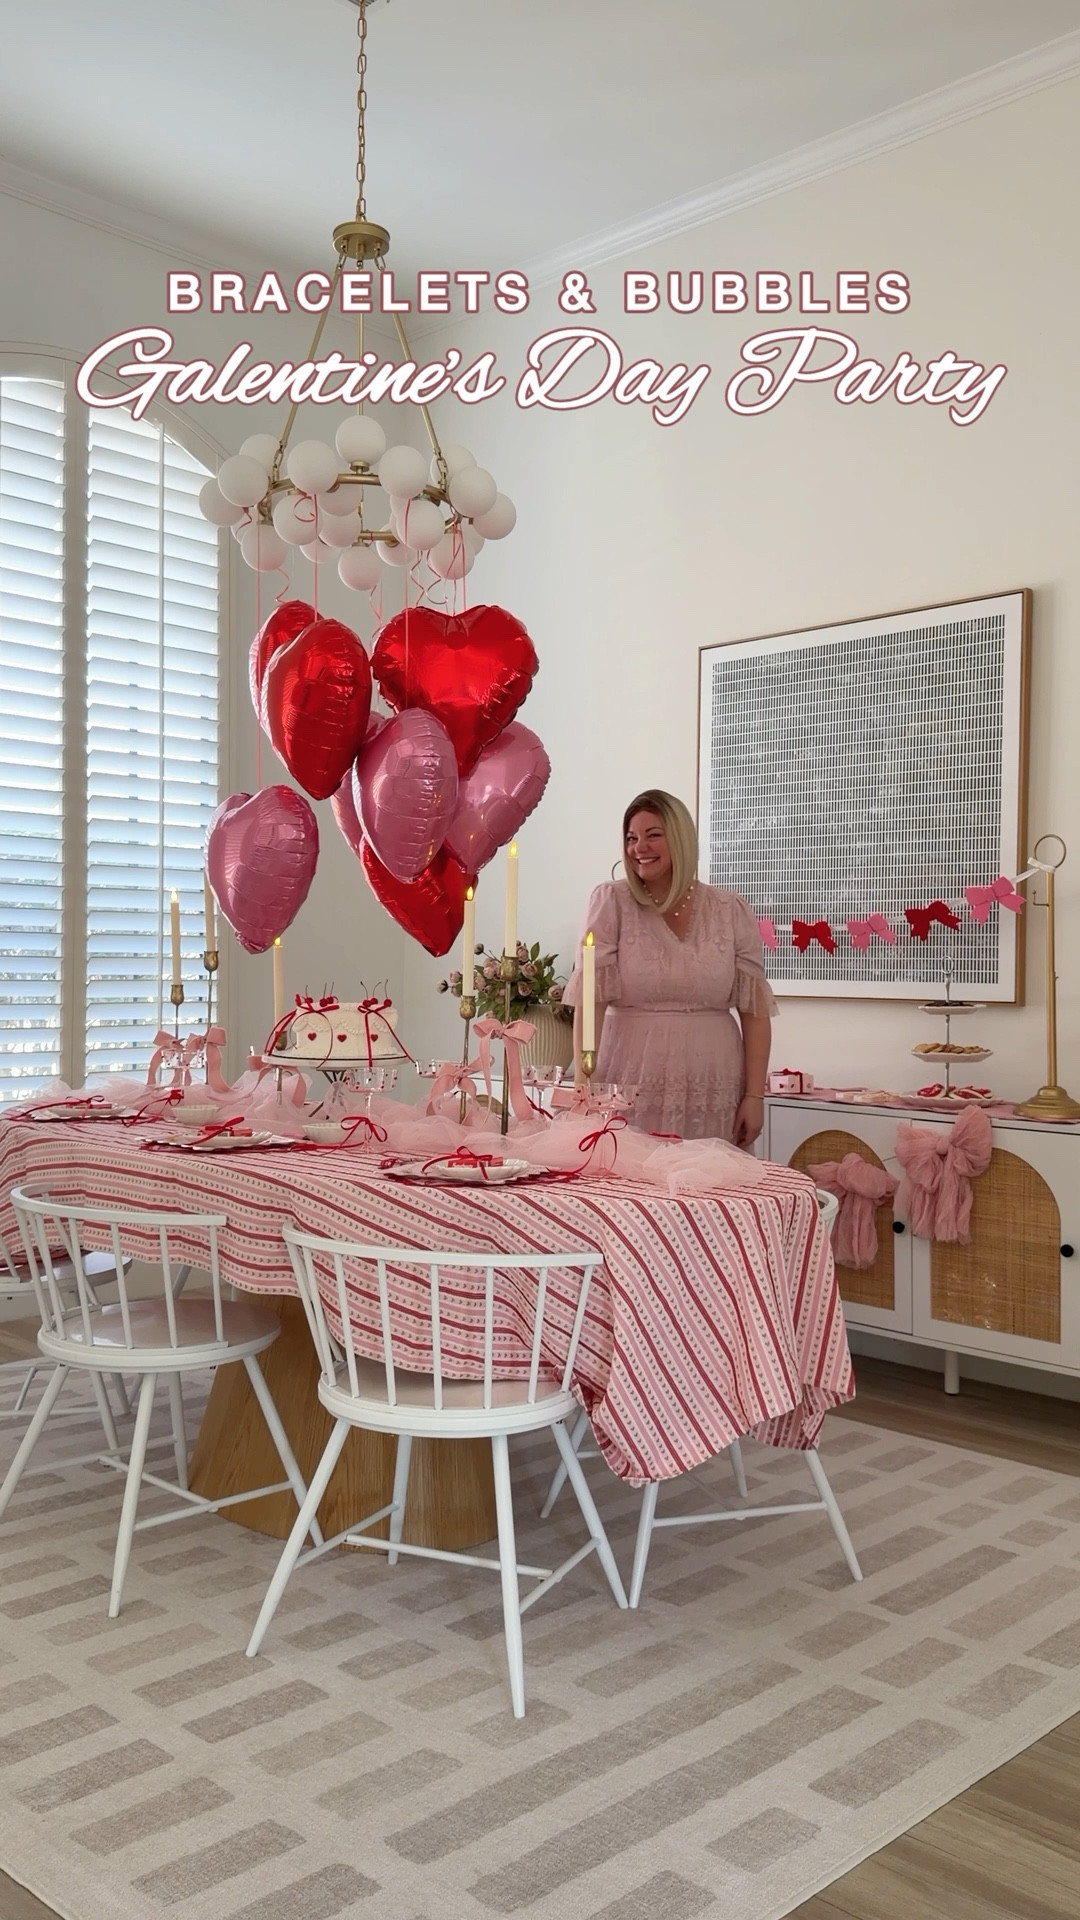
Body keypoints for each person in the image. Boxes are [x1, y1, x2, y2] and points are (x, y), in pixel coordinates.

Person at [562, 790, 776, 1147]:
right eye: (631, 838)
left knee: (709, 1191)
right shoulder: (611, 902)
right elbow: (591, 1002)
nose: (639, 847)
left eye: (653, 835)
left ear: (680, 837)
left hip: (714, 1084)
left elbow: (755, 1013)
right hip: (630, 1078)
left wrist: (755, 1097)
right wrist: (583, 1089)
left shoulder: (729, 909)